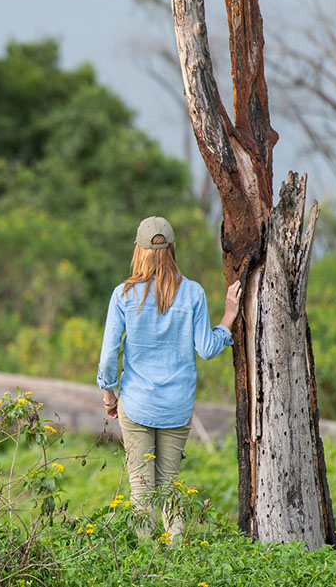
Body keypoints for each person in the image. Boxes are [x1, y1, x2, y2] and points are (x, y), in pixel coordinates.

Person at [96, 216, 241, 540]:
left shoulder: (123, 295)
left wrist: (109, 397)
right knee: (169, 483)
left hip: (136, 404)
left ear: (139, 250)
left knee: (142, 489)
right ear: (173, 248)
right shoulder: (193, 293)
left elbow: (108, 355)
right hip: (176, 407)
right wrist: (228, 317)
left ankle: (147, 563)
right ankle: (177, 558)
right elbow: (205, 349)